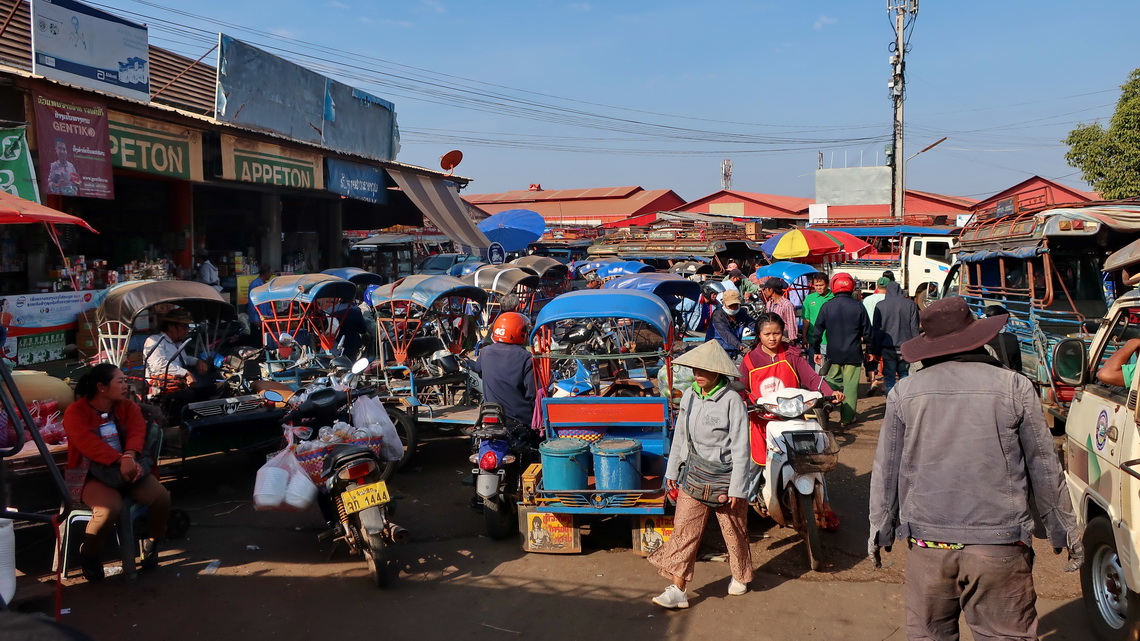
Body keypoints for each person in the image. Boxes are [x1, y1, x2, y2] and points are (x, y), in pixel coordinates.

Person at [868, 297, 1081, 640]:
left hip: (928, 545)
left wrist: (880, 529)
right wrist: (1063, 528)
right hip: (999, 544)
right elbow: (1044, 464)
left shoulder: (905, 392)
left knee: (929, 635)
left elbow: (886, 468)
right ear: (979, 336)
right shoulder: (1014, 386)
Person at [649, 340, 752, 609]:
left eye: (704, 370)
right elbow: (681, 436)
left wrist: (737, 489)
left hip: (726, 477)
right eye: (695, 369)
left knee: (734, 531)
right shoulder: (691, 396)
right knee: (684, 530)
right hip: (694, 473)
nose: (698, 374)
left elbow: (742, 447)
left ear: (718, 372)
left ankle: (740, 575)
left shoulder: (732, 401)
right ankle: (678, 589)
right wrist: (672, 470)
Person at [63, 364, 171, 582]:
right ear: (102, 387)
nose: (125, 385)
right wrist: (119, 459)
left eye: (124, 380)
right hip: (92, 474)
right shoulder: (75, 411)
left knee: (161, 497)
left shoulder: (128, 406)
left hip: (130, 467)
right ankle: (89, 555)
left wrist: (129, 456)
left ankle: (151, 541)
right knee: (108, 509)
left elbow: (137, 432)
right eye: (120, 381)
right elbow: (87, 443)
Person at [810, 273, 870, 426]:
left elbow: (817, 331)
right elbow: (868, 332)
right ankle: (847, 418)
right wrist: (870, 350)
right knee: (850, 387)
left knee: (832, 383)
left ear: (833, 286)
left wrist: (816, 350)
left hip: (833, 354)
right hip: (853, 354)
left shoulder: (827, 306)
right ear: (851, 286)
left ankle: (827, 408)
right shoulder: (858, 306)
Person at [470, 312, 536, 427]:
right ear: (519, 332)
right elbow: (532, 393)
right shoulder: (526, 357)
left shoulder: (485, 352)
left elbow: (479, 371)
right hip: (520, 417)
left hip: (491, 412)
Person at [871, 281, 920, 394]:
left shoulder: (880, 306)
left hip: (888, 348)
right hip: (905, 348)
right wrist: (916, 348)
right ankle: (904, 404)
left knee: (889, 378)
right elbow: (914, 328)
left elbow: (877, 330)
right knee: (904, 376)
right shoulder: (910, 305)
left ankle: (891, 405)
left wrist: (875, 350)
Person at [704, 289, 755, 359]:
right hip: (716, 351)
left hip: (733, 351)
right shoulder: (718, 315)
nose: (733, 308)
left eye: (735, 305)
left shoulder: (741, 313)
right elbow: (726, 334)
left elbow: (753, 324)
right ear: (723, 303)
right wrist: (741, 346)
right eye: (730, 306)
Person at [861, 277, 890, 388]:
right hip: (886, 331)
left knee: (870, 355)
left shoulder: (868, 299)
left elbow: (863, 317)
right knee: (886, 358)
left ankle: (873, 380)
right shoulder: (889, 300)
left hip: (870, 331)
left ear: (877, 286)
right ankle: (885, 384)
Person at [801, 273, 832, 368]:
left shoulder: (834, 297)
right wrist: (804, 336)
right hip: (814, 340)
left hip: (832, 340)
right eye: (816, 285)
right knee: (817, 370)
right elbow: (806, 319)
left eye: (821, 285)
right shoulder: (809, 299)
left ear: (827, 284)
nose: (818, 288)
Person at [984, 304, 1023, 372]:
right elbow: (1017, 366)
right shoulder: (1011, 338)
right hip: (1005, 376)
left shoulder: (978, 338)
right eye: (1006, 320)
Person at [761, 277, 798, 343]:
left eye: (765, 289)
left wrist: (791, 341)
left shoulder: (787, 305)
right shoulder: (769, 304)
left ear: (771, 290)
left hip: (784, 337)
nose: (764, 291)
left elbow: (791, 325)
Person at [247, 266, 273, 337]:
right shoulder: (255, 284)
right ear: (265, 273)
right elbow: (252, 303)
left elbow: (267, 302)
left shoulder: (265, 284)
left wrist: (271, 314)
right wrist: (255, 318)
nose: (271, 275)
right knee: (257, 341)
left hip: (266, 317)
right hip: (258, 319)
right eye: (270, 273)